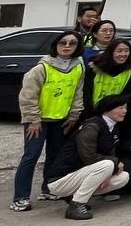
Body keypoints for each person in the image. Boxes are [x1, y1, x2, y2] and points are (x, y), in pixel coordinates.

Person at [11, 30, 85, 211]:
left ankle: (48, 189)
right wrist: (33, 120)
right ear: (55, 45)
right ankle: (20, 197)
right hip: (38, 121)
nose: (67, 46)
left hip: (61, 120)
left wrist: (74, 115)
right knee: (31, 156)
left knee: (55, 155)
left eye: (72, 43)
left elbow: (77, 93)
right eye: (63, 43)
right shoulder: (41, 68)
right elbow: (28, 96)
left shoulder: (78, 66)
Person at [42, 94, 131, 220]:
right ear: (107, 109)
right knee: (108, 164)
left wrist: (109, 171)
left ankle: (73, 197)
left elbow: (110, 153)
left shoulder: (112, 126)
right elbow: (88, 157)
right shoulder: (92, 126)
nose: (124, 111)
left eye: (125, 108)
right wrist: (114, 163)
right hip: (60, 179)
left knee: (122, 177)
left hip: (79, 175)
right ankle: (76, 205)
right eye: (120, 108)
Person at [83, 40, 131, 115]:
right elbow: (86, 93)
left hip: (114, 112)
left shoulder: (129, 69)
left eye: (127, 51)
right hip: (91, 111)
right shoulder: (93, 68)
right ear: (111, 52)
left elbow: (127, 93)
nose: (123, 54)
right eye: (119, 51)